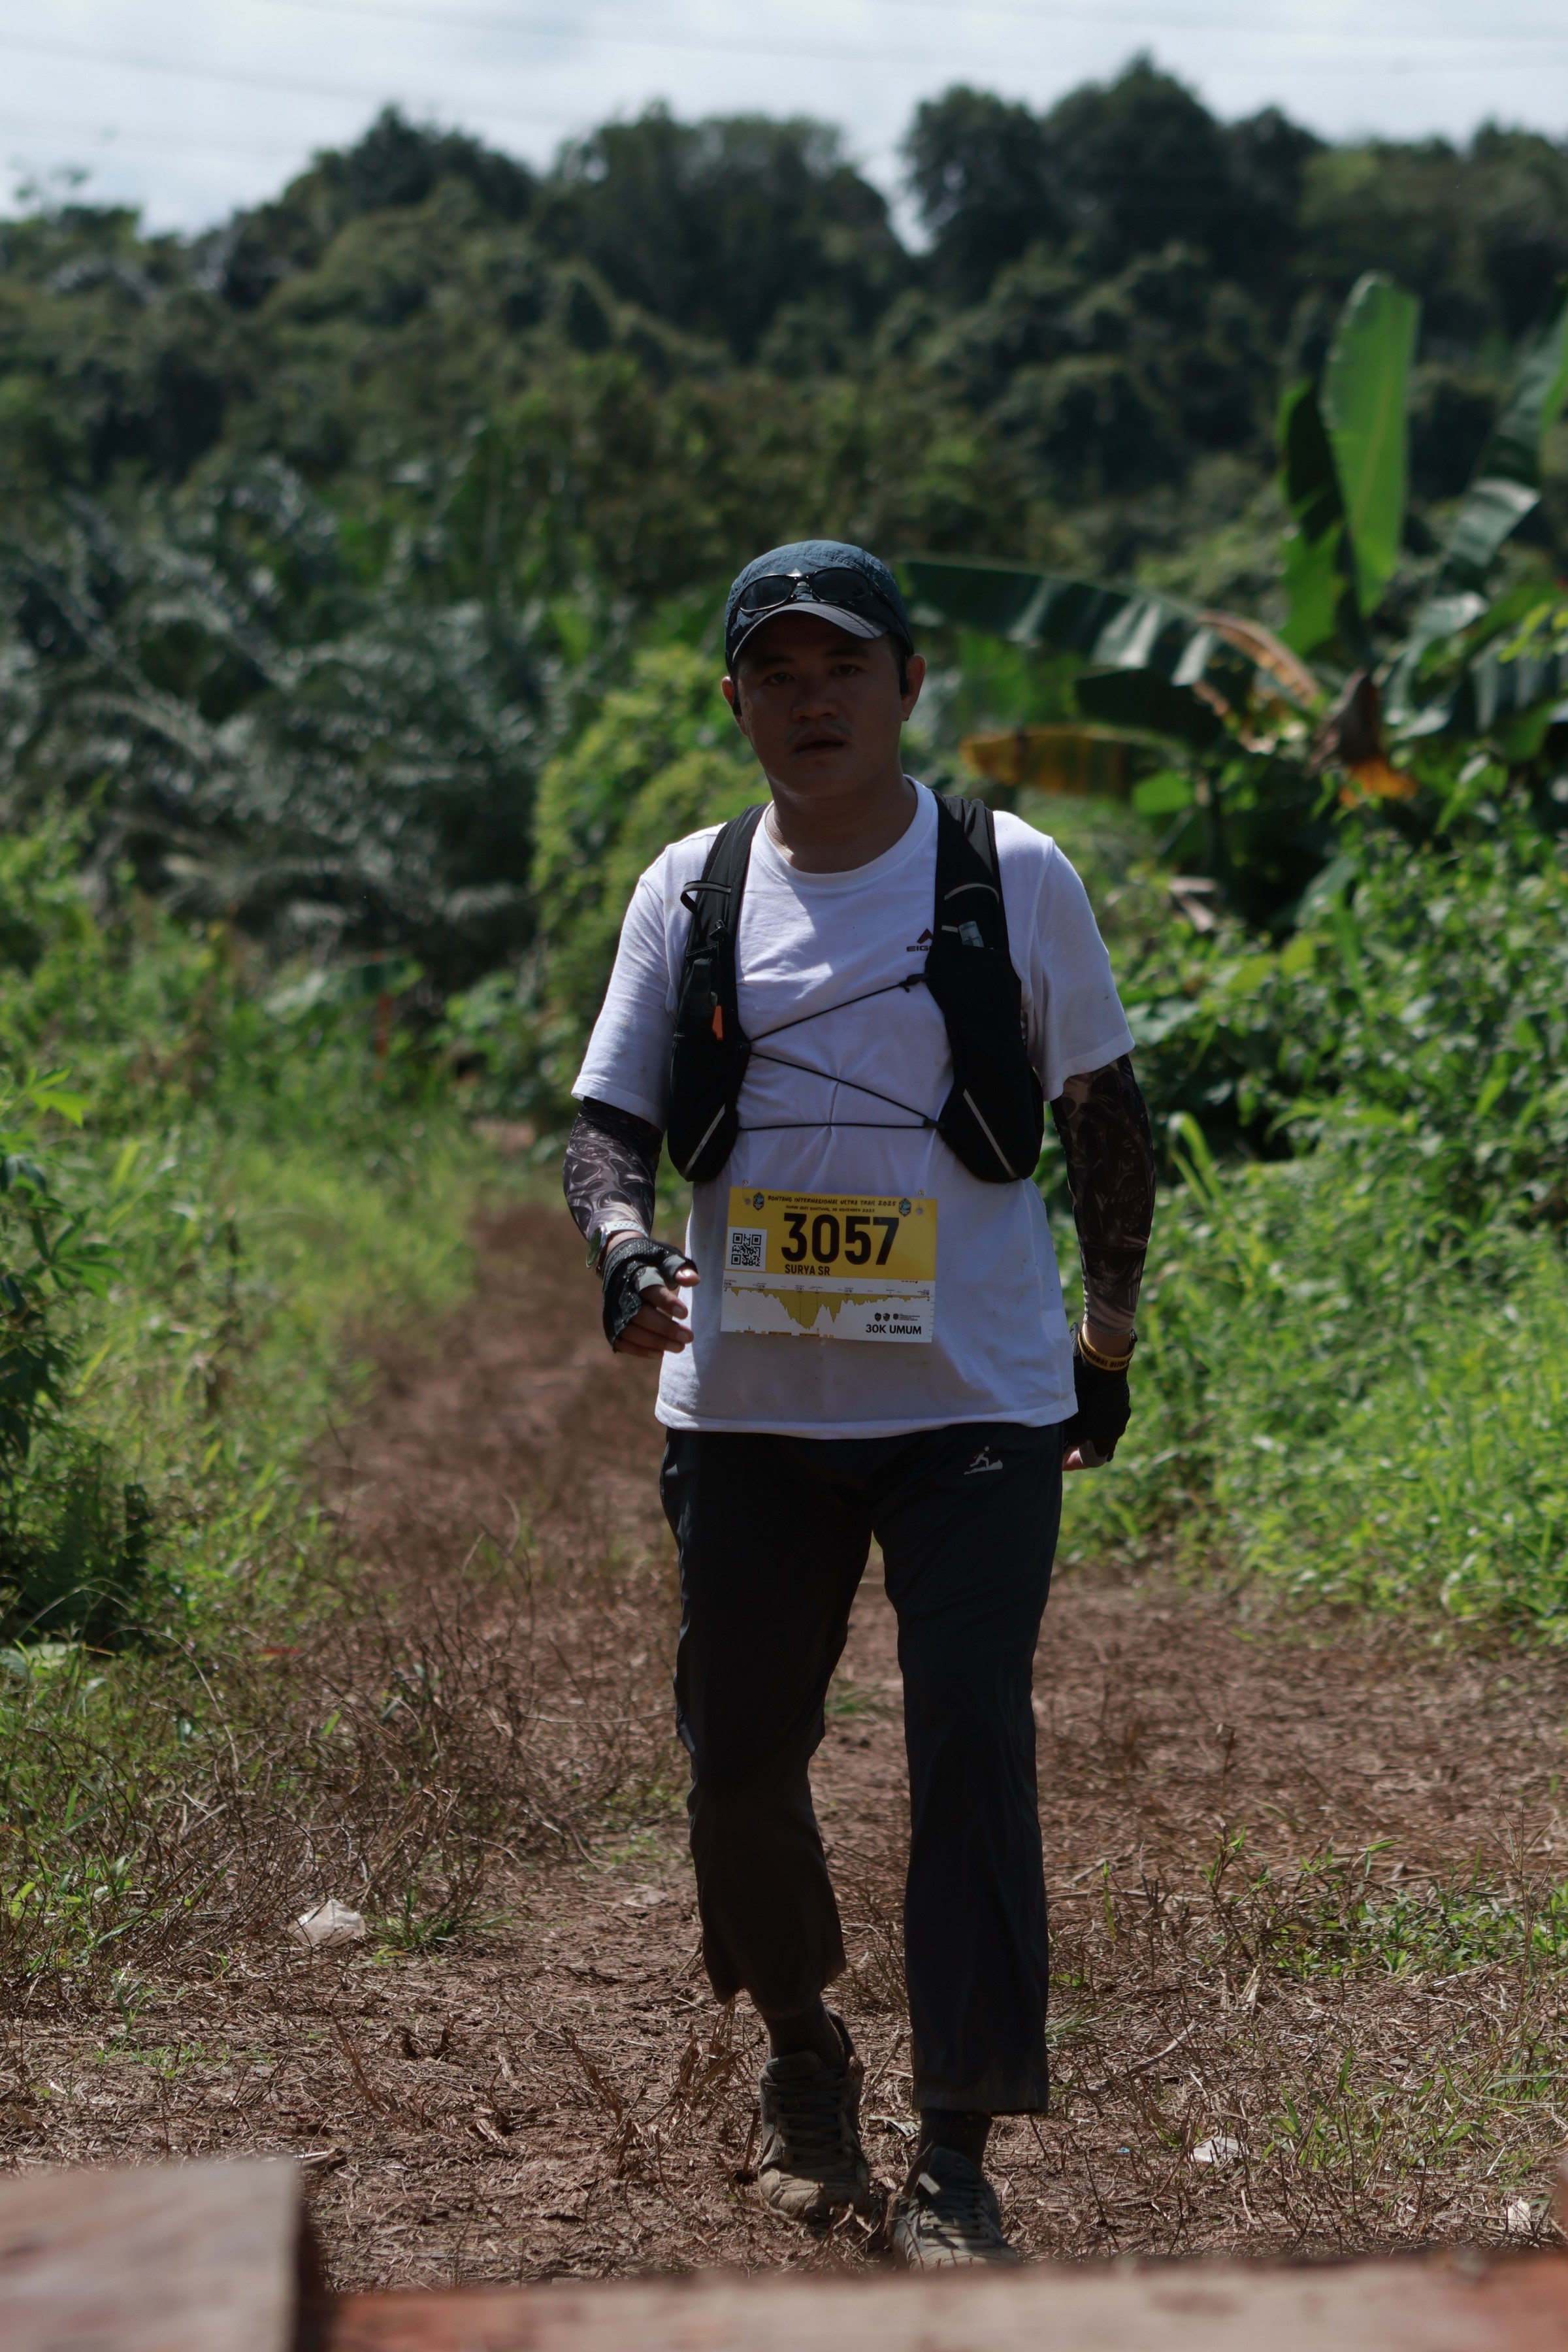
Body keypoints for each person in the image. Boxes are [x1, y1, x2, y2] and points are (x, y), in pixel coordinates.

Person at [562, 539, 1154, 2267]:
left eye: (844, 669)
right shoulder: (689, 888)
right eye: (778, 673)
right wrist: (621, 1248)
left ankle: (957, 2154)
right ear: (735, 700)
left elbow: (1107, 1116)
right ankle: (802, 2051)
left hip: (976, 1404)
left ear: (909, 683)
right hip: (749, 1414)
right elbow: (606, 1123)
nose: (812, 701)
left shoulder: (1011, 874)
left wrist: (1106, 1347)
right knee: (738, 1759)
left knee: (972, 1736)